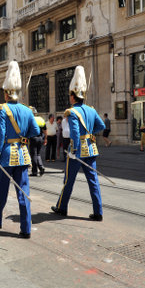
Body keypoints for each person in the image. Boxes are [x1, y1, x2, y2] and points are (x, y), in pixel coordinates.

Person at [0, 61, 40, 239]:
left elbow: (0, 135)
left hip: (7, 155)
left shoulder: (2, 110)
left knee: (1, 190)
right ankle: (26, 229)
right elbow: (36, 131)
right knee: (23, 192)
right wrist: (24, 137)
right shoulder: (27, 110)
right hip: (23, 155)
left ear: (5, 92)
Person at [51, 65, 106, 221]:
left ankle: (62, 208)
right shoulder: (91, 110)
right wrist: (89, 133)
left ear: (73, 96)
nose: (69, 98)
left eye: (70, 95)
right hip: (90, 148)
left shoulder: (72, 111)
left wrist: (74, 150)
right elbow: (101, 126)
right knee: (93, 182)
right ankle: (98, 212)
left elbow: (74, 133)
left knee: (69, 180)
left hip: (77, 150)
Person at [29, 107, 46, 177]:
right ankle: (41, 167)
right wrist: (45, 139)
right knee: (38, 154)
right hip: (40, 138)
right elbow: (45, 130)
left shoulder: (30, 120)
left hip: (33, 138)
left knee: (33, 155)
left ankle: (34, 171)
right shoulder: (41, 119)